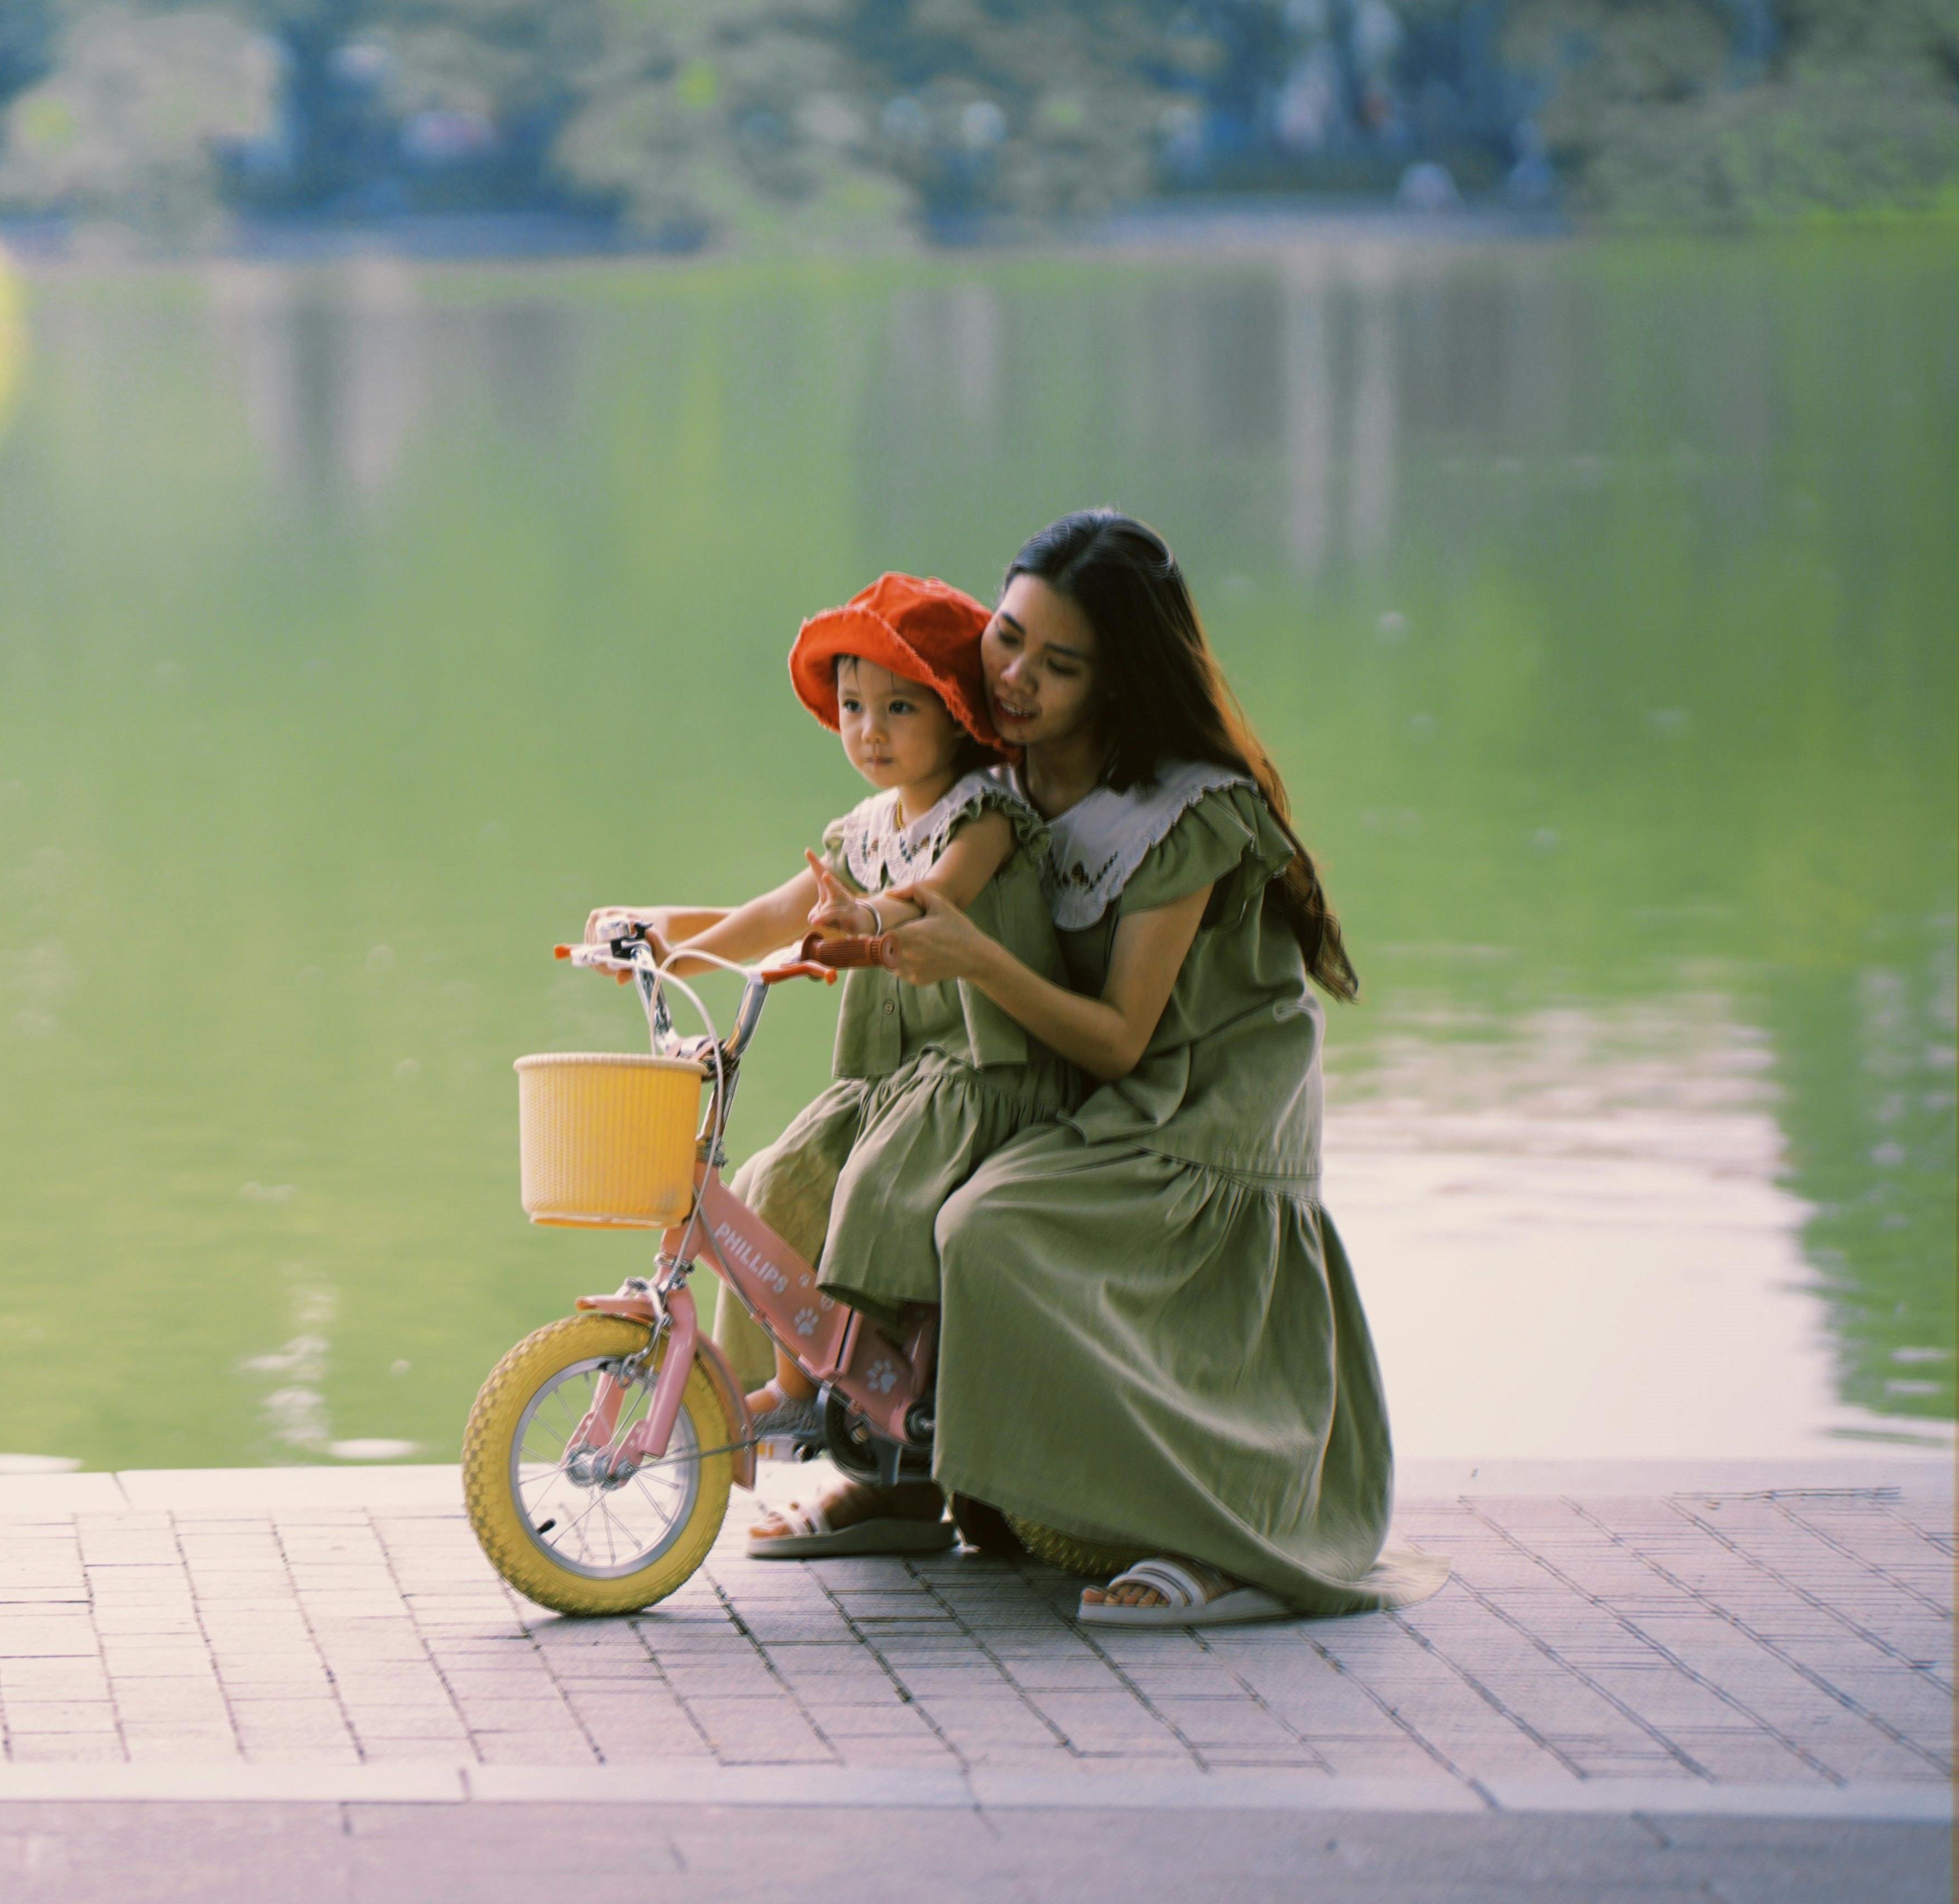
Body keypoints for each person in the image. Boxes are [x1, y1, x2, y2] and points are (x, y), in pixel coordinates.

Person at [872, 508, 1434, 1627]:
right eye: (1009, 638)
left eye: (1060, 664)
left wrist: (975, 959)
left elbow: (1125, 1036)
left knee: (994, 1225)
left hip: (1201, 1116)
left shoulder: (1182, 810)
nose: (1018, 677)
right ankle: (912, 1480)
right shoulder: (998, 786)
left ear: (1119, 683)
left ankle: (1211, 1541)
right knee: (877, 1157)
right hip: (1092, 1095)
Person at [586, 573, 1077, 1559]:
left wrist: (870, 919)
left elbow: (937, 896)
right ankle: (782, 1386)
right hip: (892, 1088)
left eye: (900, 708)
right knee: (773, 1184)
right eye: (854, 708)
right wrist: (666, 946)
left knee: (875, 1197)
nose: (870, 731)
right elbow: (774, 913)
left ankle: (812, 1397)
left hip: (980, 1080)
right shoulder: (865, 828)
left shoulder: (983, 817)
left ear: (955, 717)